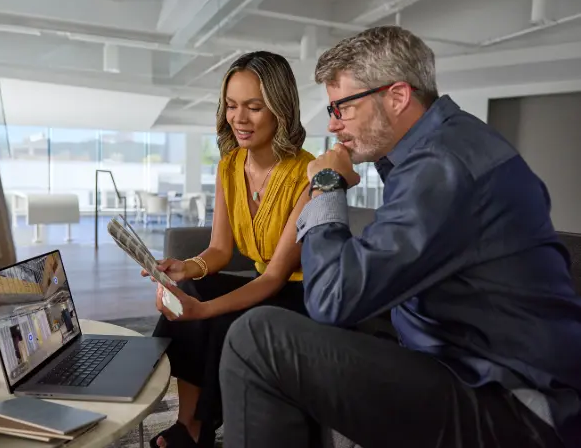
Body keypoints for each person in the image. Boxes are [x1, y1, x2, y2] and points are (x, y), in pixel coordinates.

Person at [219, 26, 581, 448]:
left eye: (343, 108)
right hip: (456, 359)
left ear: (397, 96)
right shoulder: (436, 150)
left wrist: (328, 184)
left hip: (513, 405)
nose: (334, 125)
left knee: (259, 339)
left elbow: (332, 298)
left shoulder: (444, 167)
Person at [143, 51, 314, 448]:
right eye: (233, 106)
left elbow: (274, 278)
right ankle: (188, 424)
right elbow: (220, 249)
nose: (239, 118)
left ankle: (204, 425)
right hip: (265, 284)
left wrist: (203, 310)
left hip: (302, 294)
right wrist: (186, 268)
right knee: (191, 293)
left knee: (218, 319)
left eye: (254, 107)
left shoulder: (307, 175)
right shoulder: (228, 166)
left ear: (281, 110)